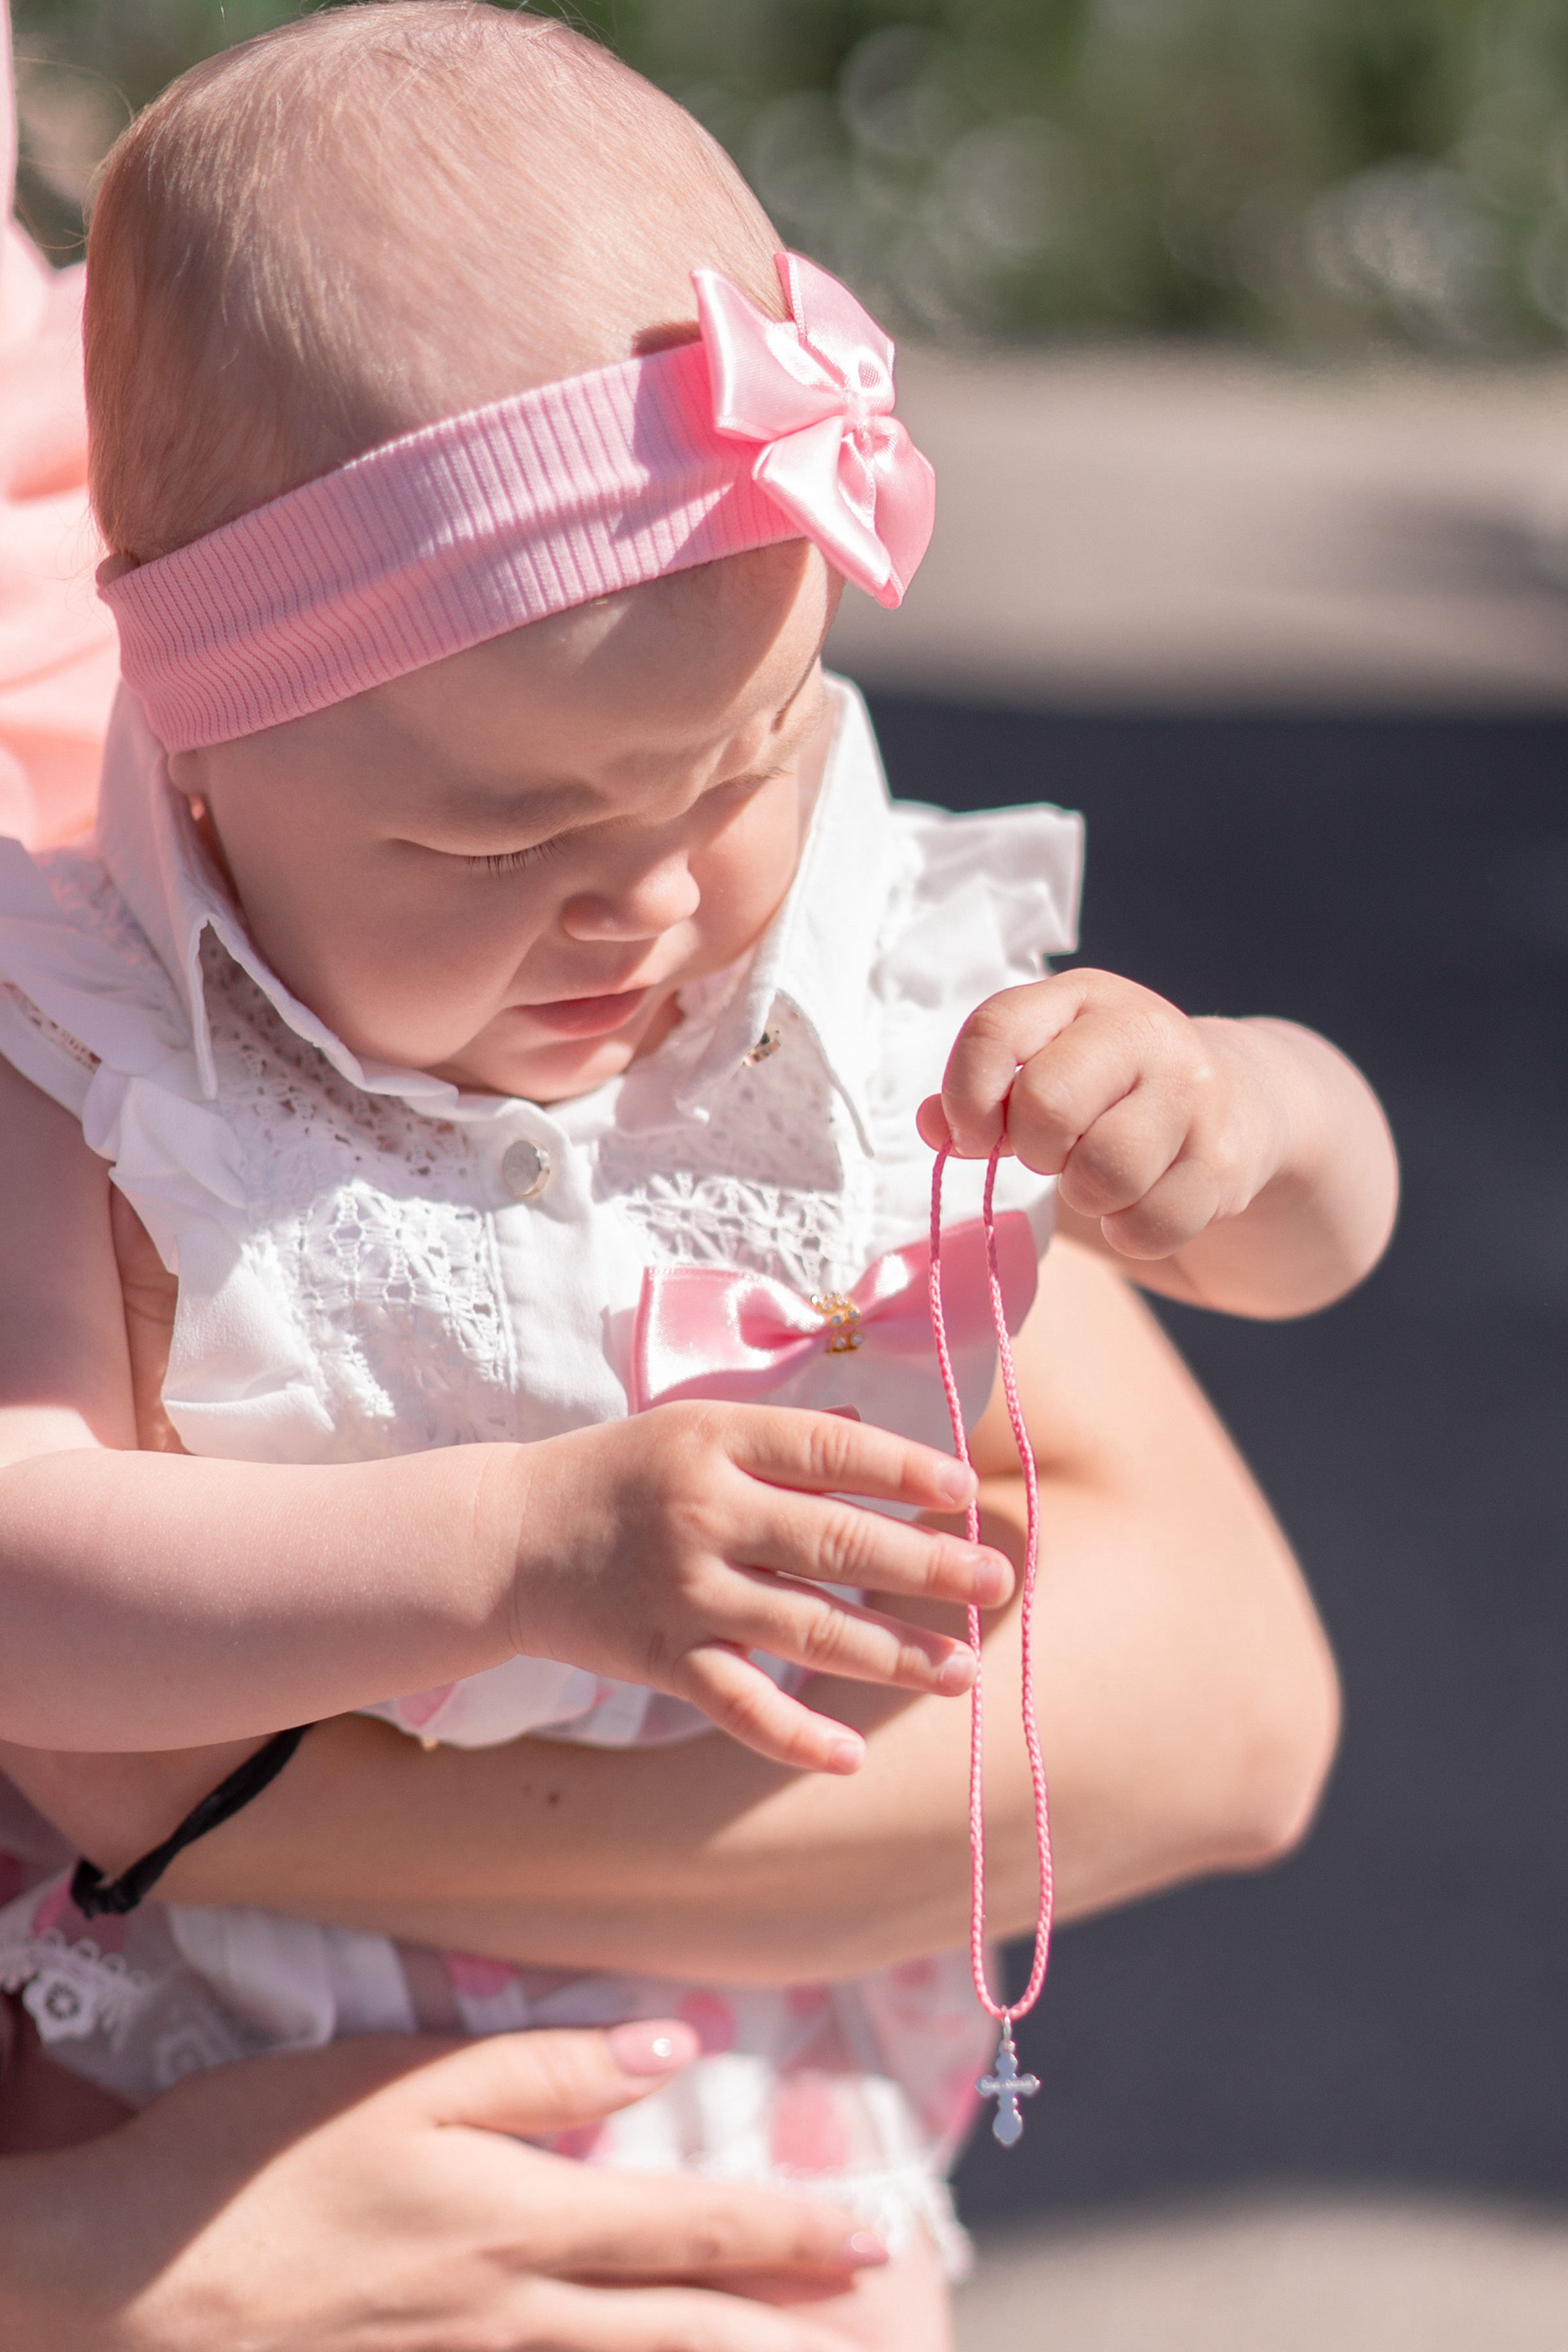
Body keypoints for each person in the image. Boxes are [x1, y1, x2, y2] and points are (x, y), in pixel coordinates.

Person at [0, 7, 1396, 2346]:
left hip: (777, 2177)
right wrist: (521, 1548)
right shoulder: (98, 1054)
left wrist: (1234, 1118)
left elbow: (1297, 1304)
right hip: (247, 2171)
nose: (648, 902)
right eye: (506, 835)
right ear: (207, 757)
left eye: (742, 762)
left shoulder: (833, 985)